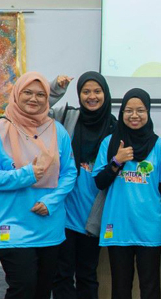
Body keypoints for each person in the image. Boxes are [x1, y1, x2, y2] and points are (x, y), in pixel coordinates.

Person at [0, 72, 77, 299]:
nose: (34, 99)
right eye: (28, 93)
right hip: (11, 224)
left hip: (48, 225)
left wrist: (51, 201)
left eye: (41, 94)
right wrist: (27, 174)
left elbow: (70, 172)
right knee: (23, 287)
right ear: (17, 94)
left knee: (43, 290)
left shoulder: (57, 130)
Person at [93, 88, 161, 299]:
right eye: (128, 110)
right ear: (121, 113)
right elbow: (99, 182)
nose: (134, 115)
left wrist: (143, 200)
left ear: (148, 112)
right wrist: (116, 162)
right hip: (117, 225)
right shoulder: (109, 143)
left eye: (140, 110)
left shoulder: (160, 146)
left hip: (148, 226)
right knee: (120, 287)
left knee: (150, 286)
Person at [49, 72, 116, 299]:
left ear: (105, 94)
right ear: (79, 94)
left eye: (97, 91)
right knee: (62, 275)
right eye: (86, 91)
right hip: (65, 211)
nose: (92, 96)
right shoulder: (67, 117)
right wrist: (56, 89)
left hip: (93, 213)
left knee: (88, 275)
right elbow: (36, 108)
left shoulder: (115, 128)